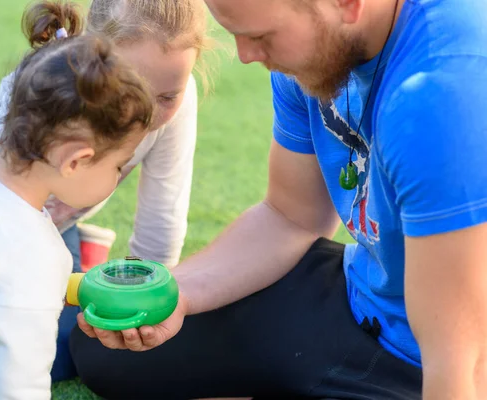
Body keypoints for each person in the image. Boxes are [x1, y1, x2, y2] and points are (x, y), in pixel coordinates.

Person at [68, 0, 487, 399]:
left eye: (262, 36)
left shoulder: (443, 91)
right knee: (110, 352)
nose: (246, 55)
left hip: (433, 355)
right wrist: (176, 296)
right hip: (361, 297)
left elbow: (463, 359)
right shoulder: (312, 56)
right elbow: (292, 216)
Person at [0, 0, 211, 382]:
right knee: (47, 349)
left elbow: (164, 208)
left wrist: (144, 295)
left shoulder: (174, 96)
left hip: (46, 224)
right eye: (135, 89)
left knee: (91, 333)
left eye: (168, 97)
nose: (151, 113)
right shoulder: (50, 83)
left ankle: (79, 246)